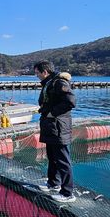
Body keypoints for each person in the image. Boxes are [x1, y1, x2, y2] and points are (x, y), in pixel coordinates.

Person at [34, 60, 76, 202]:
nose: (37, 76)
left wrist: (52, 113)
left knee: (63, 160)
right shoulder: (49, 83)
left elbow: (70, 101)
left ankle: (67, 193)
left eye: (37, 73)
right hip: (50, 127)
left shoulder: (59, 83)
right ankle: (53, 183)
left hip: (58, 127)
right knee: (52, 157)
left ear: (44, 72)